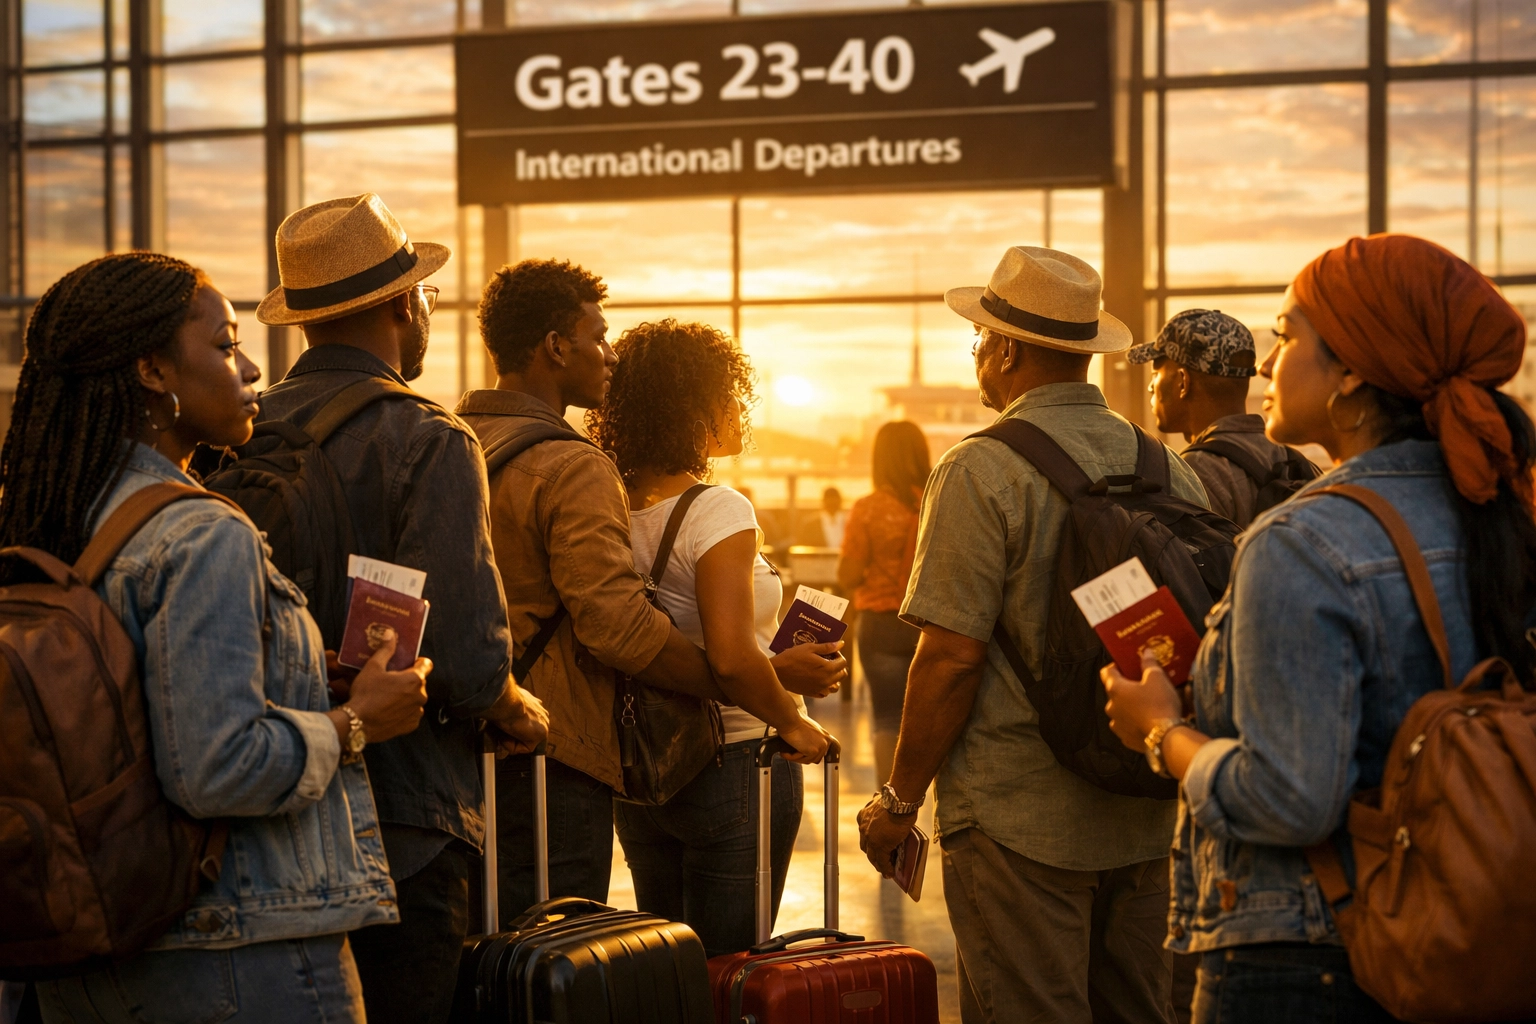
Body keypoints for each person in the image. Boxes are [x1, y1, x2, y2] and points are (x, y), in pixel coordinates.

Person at [1102, 234, 1536, 1023]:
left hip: (1303, 956)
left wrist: (1162, 732)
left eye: (1286, 334)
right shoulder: (1499, 512)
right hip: (1466, 925)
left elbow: (1290, 798)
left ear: (1353, 373)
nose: (1265, 366)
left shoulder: (1302, 542)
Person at [17, 253, 433, 1022]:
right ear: (151, 370)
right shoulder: (200, 534)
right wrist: (358, 721)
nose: (251, 370)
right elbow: (218, 768)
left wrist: (302, 688)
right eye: (226, 344)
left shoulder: (62, 520)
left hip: (95, 948)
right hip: (239, 953)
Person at [857, 246, 1211, 1023]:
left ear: (1008, 349)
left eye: (981, 339)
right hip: (1146, 808)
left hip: (1020, 820)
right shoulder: (1163, 466)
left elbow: (950, 655)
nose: (979, 354)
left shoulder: (979, 468)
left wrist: (898, 800)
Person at [252, 195, 548, 1024]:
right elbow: (468, 658)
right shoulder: (427, 435)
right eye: (425, 295)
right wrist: (521, 711)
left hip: (271, 793)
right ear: (401, 303)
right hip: (404, 819)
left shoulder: (242, 431)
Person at [586, 318, 844, 957]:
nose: (739, 408)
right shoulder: (718, 509)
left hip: (645, 760)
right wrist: (796, 722)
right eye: (728, 392)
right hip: (738, 756)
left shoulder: (609, 503)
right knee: (732, 966)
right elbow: (730, 658)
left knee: (670, 965)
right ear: (691, 404)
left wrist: (775, 664)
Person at [1130, 308, 1321, 527]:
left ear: (1183, 382)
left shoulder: (1192, 475)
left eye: (1156, 375)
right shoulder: (1298, 462)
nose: (1150, 386)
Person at [838, 420, 930, 786]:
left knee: (888, 719)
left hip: (881, 623)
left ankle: (889, 806)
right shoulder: (937, 502)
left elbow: (848, 575)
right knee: (934, 719)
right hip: (932, 623)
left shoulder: (869, 509)